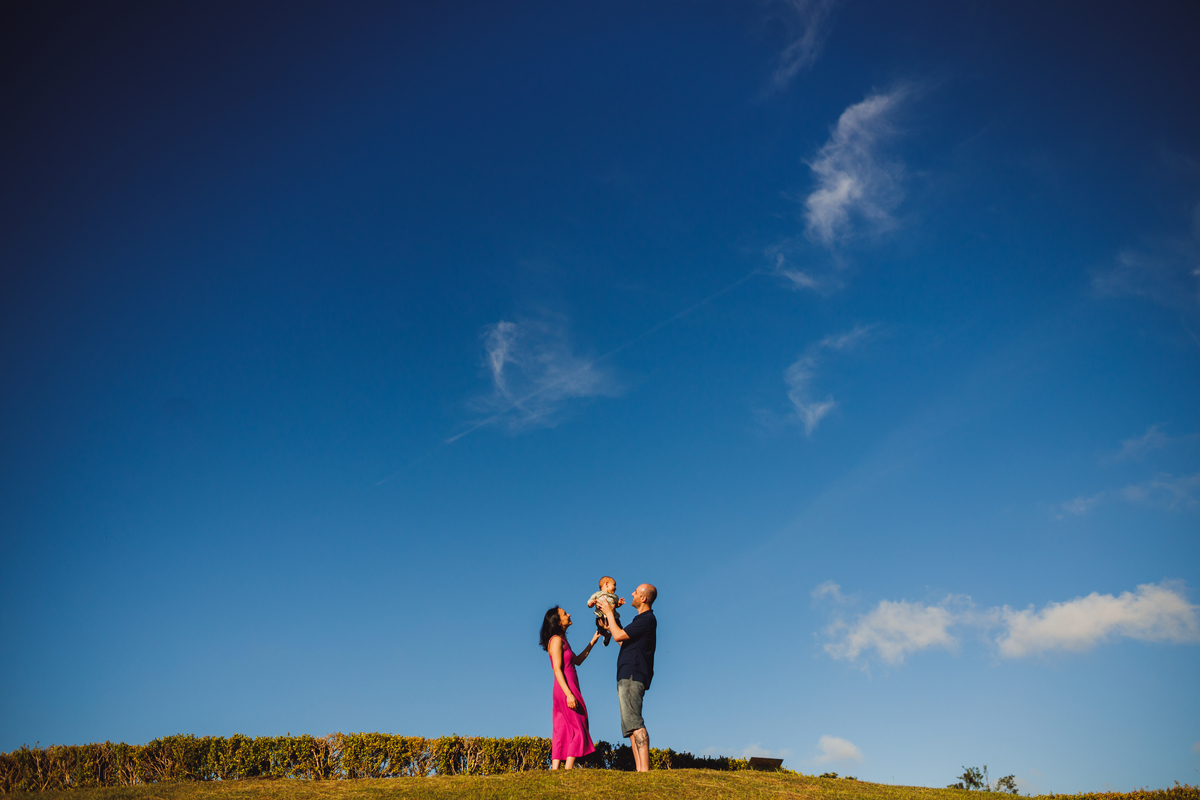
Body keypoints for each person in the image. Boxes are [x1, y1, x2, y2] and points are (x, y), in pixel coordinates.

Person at [596, 583, 657, 773]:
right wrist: (610, 624)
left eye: (636, 592)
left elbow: (618, 636)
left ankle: (644, 770)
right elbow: (623, 640)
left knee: (635, 722)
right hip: (628, 674)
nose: (632, 593)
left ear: (643, 598)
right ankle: (640, 769)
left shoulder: (647, 619)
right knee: (630, 725)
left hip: (633, 673)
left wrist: (609, 611)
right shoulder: (640, 620)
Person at [539, 606, 601, 769]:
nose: (569, 614)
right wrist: (569, 694)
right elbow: (557, 669)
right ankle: (567, 768)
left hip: (567, 687)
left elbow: (577, 660)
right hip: (566, 688)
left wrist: (592, 642)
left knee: (562, 728)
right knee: (579, 722)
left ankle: (555, 769)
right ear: (558, 622)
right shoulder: (556, 640)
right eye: (565, 614)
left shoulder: (562, 641)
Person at [586, 576, 625, 646]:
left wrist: (619, 603)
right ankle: (607, 635)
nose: (615, 588)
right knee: (601, 630)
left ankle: (625, 642)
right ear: (606, 584)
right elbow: (589, 603)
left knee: (620, 630)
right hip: (601, 617)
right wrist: (591, 603)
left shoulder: (614, 597)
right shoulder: (597, 594)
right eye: (614, 585)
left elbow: (615, 605)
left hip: (613, 617)